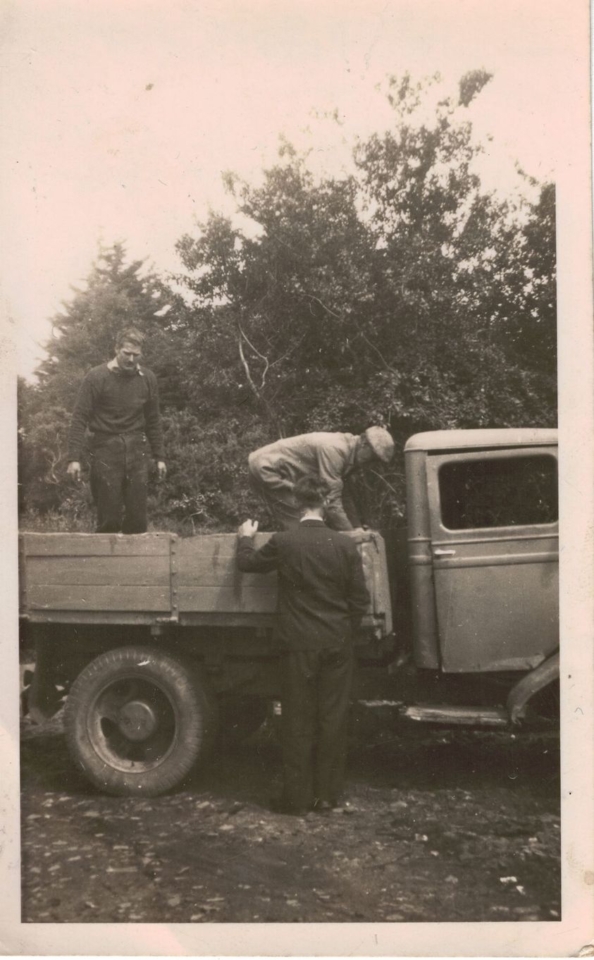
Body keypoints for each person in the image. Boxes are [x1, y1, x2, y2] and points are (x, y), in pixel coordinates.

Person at [236, 476, 370, 816]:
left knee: (297, 720)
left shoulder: (285, 542)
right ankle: (326, 797)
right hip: (336, 644)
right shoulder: (344, 546)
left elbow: (247, 565)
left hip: (297, 645)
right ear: (324, 504)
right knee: (332, 719)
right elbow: (360, 601)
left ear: (297, 504)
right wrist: (343, 632)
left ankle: (296, 800)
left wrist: (245, 539)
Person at [66, 327, 166, 534]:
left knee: (138, 520)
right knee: (109, 518)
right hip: (106, 449)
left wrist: (159, 456)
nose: (131, 359)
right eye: (126, 353)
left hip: (137, 449)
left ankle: (134, 566)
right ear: (116, 349)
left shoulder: (147, 378)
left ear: (141, 353)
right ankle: (105, 565)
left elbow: (153, 421)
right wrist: (73, 458)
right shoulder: (96, 377)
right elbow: (79, 418)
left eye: (136, 355)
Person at [248, 427, 394, 531]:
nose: (371, 464)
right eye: (373, 458)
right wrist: (351, 533)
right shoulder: (335, 450)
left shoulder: (351, 454)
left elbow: (343, 494)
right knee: (302, 522)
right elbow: (332, 501)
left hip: (284, 473)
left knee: (312, 520)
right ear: (364, 444)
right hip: (267, 469)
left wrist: (356, 527)